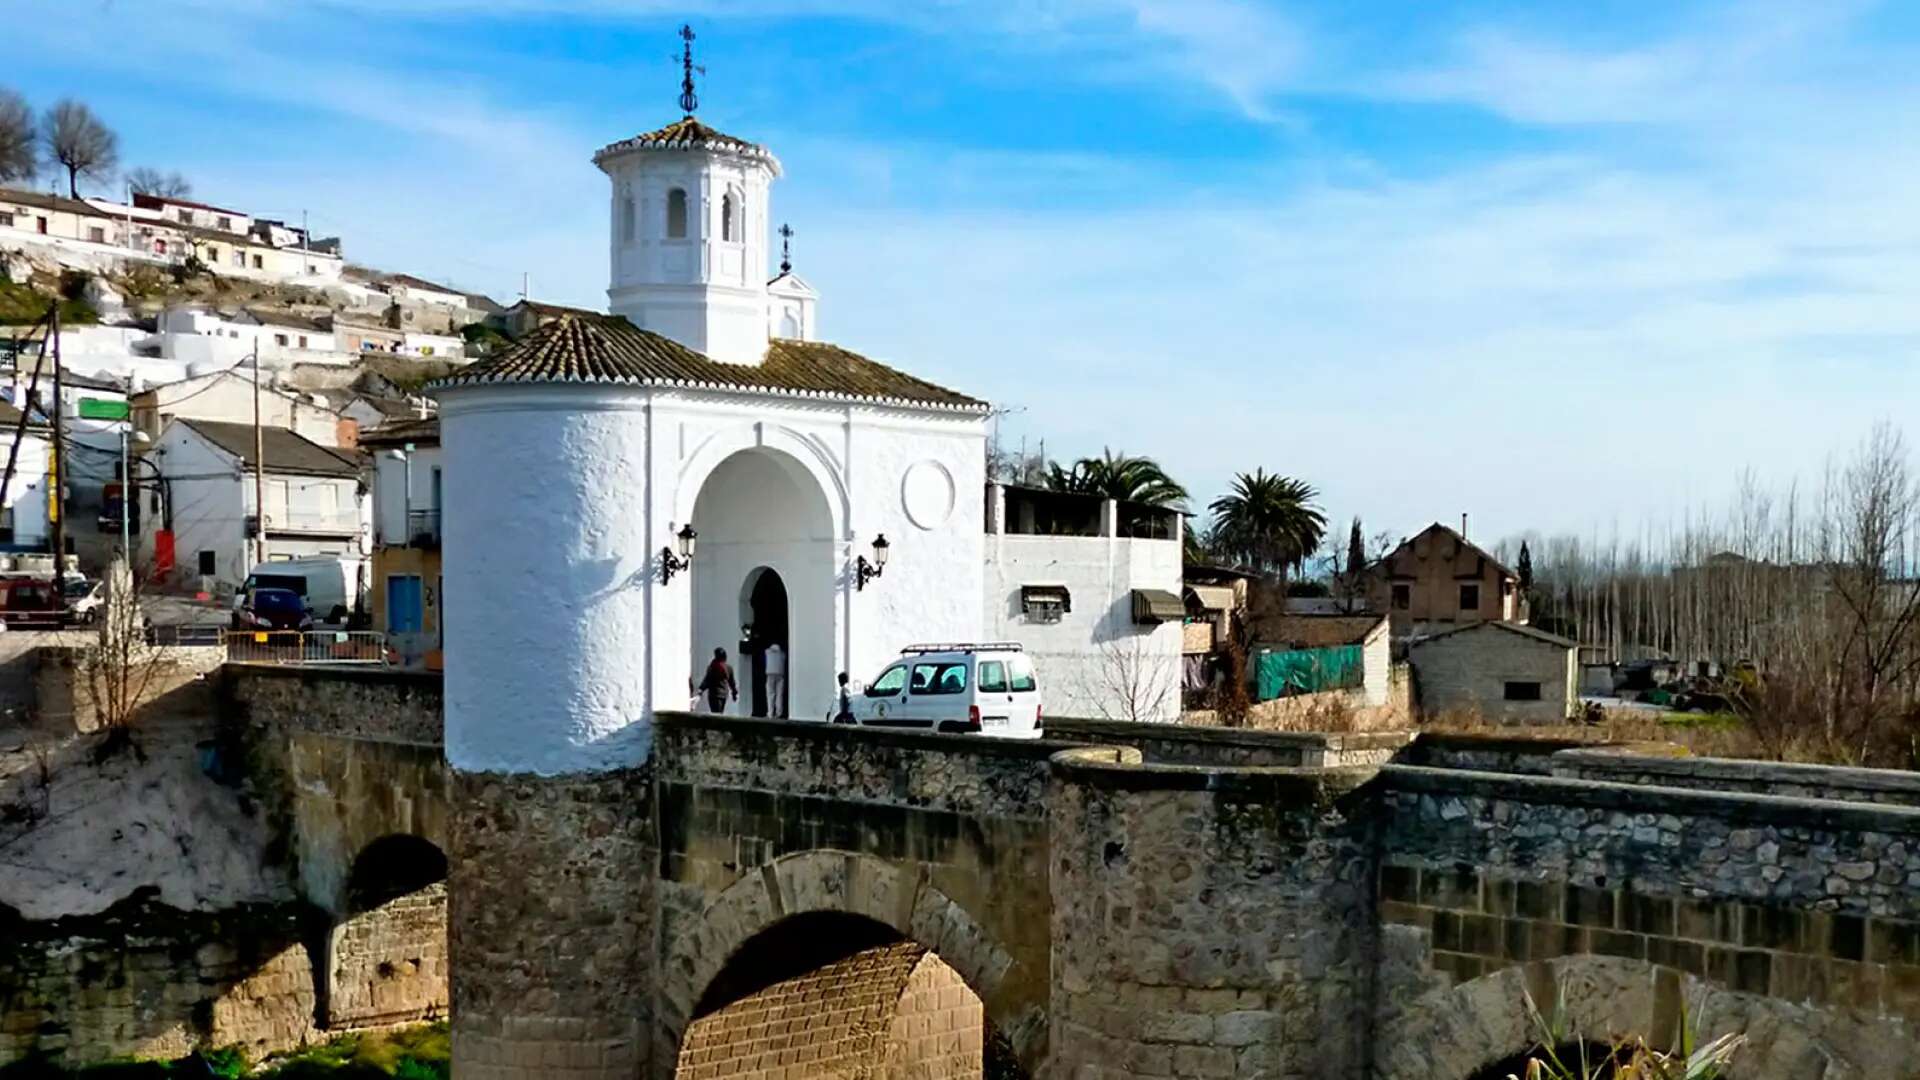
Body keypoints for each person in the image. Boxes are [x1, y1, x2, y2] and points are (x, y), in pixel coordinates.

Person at [698, 647, 737, 715]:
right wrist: (734, 693)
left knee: (716, 713)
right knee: (720, 712)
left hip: (714, 694)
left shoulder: (713, 667)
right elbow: (732, 682)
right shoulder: (728, 668)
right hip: (723, 695)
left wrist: (701, 689)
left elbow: (707, 680)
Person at [763, 642, 787, 718]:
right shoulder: (782, 654)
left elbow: (766, 651)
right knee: (779, 694)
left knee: (770, 694)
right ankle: (779, 713)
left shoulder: (768, 652)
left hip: (770, 674)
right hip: (780, 674)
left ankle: (770, 713)